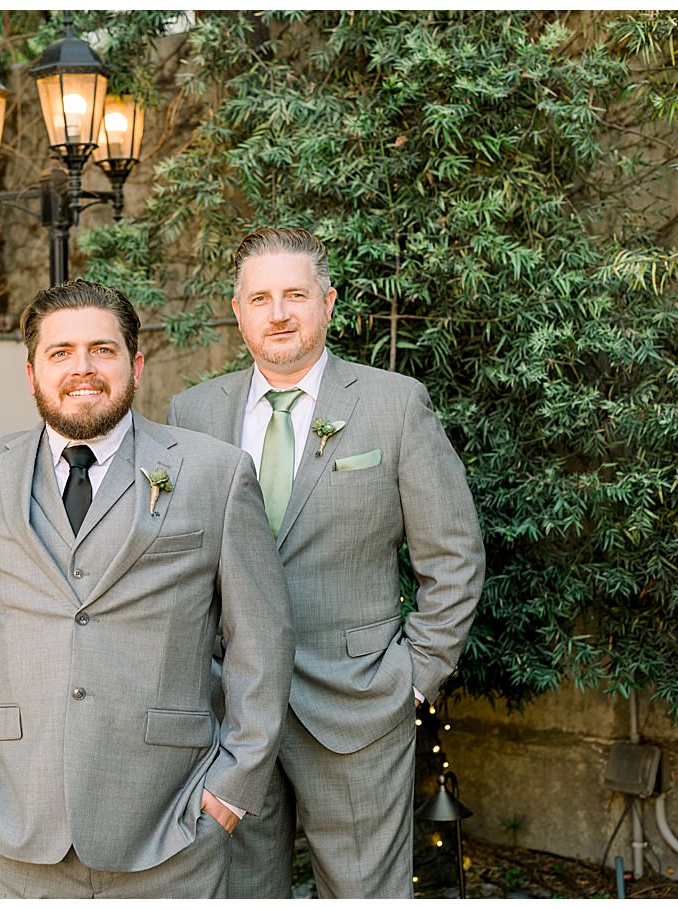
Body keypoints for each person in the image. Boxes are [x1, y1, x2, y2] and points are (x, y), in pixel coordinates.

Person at [0, 280, 293, 898]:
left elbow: (261, 644)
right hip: (13, 822)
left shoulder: (216, 475)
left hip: (173, 823)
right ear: (32, 371)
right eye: (61, 353)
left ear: (135, 365)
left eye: (101, 350)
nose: (81, 369)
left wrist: (229, 791)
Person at [167, 227, 486, 899]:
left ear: (329, 302)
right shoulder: (191, 413)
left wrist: (415, 677)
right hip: (229, 714)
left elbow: (453, 555)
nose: (277, 313)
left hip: (359, 707)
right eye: (260, 297)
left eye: (294, 295)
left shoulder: (395, 405)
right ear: (238, 310)